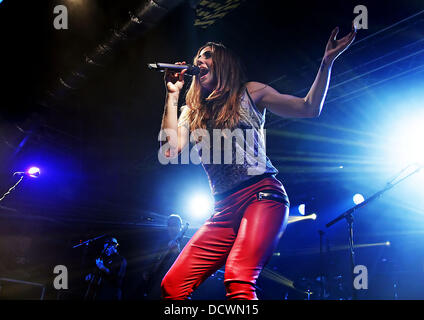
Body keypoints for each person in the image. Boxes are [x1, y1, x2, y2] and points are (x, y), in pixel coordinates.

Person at [158, 24, 356, 300]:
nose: (199, 61)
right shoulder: (192, 112)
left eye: (206, 56)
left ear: (223, 64)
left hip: (262, 196)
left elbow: (309, 108)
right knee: (172, 286)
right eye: (196, 59)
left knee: (238, 277)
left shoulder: (250, 92)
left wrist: (326, 62)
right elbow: (170, 150)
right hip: (223, 209)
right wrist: (171, 94)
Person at [142, 214, 187, 299]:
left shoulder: (187, 242)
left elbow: (188, 265)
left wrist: (177, 252)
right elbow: (155, 259)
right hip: (157, 282)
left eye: (175, 225)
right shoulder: (162, 242)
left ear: (180, 226)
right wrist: (149, 271)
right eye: (170, 225)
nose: (172, 228)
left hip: (175, 285)